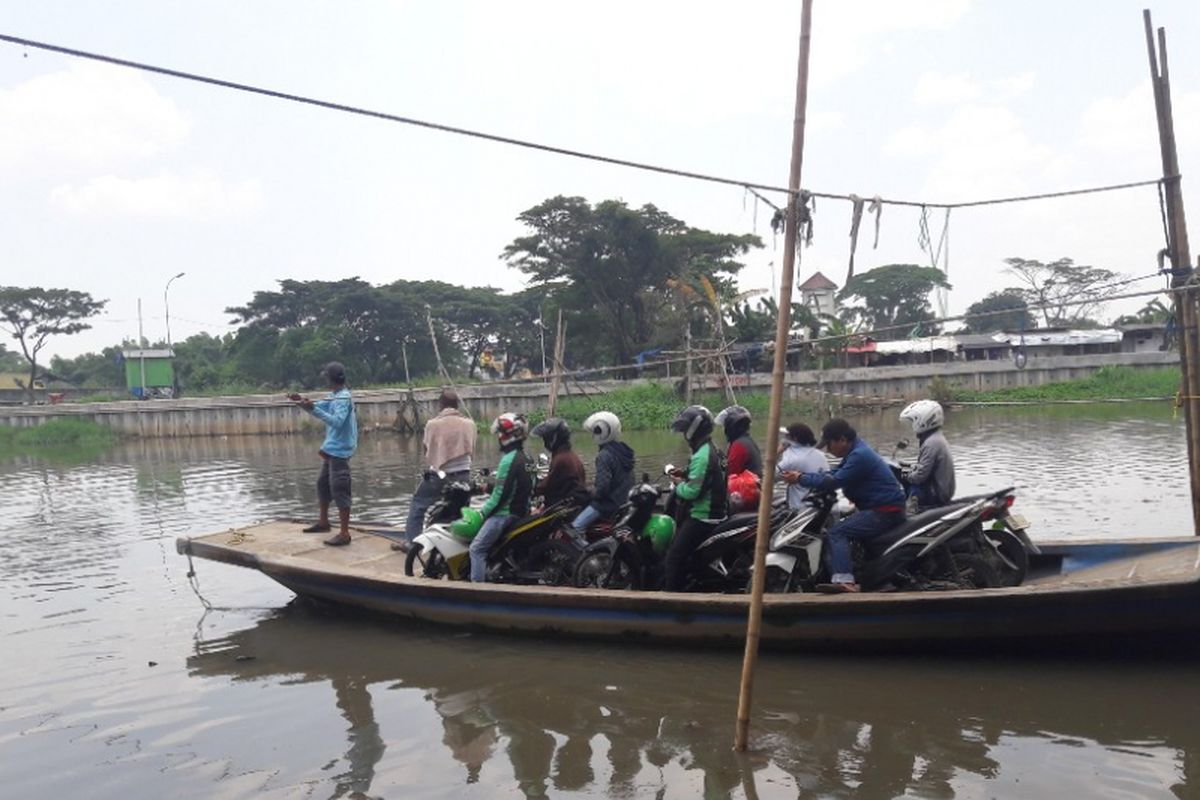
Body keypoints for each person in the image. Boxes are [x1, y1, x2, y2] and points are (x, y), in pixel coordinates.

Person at [796, 418, 906, 593]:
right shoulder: (855, 451)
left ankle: (844, 580)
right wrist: (807, 477)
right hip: (881, 508)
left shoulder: (859, 455)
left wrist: (800, 478)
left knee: (838, 532)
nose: (828, 450)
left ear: (842, 440)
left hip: (884, 511)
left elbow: (836, 480)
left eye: (829, 445)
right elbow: (834, 473)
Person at [393, 389, 476, 553]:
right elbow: (471, 448)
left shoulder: (433, 424)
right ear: (457, 405)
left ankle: (411, 542)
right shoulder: (470, 424)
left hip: (439, 475)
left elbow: (427, 450)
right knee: (459, 508)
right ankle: (458, 545)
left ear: (441, 405)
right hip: (464, 474)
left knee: (418, 504)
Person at [292, 361, 358, 547]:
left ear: (331, 378)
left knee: (340, 489)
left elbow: (337, 422)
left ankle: (344, 533)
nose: (325, 381)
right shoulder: (334, 396)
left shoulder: (343, 398)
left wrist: (312, 408)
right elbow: (319, 407)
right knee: (322, 485)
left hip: (340, 451)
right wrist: (302, 403)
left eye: (326, 378)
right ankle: (324, 522)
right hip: (331, 449)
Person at [664, 405, 727, 591]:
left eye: (685, 430)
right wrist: (684, 474)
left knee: (673, 557)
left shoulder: (702, 455)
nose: (684, 435)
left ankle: (672, 599)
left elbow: (692, 492)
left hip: (703, 516)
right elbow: (704, 478)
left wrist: (677, 485)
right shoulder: (708, 449)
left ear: (694, 429)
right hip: (711, 512)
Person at [469, 412, 532, 582]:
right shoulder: (527, 458)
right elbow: (525, 488)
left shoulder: (508, 460)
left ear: (508, 435)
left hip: (504, 515)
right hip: (522, 513)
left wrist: (482, 513)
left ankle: (476, 591)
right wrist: (487, 487)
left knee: (476, 549)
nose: (498, 436)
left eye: (500, 433)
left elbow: (500, 496)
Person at [567, 411, 635, 540]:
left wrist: (590, 493)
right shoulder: (623, 451)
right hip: (625, 501)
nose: (593, 435)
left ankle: (588, 558)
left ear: (602, 432)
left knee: (575, 527)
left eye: (595, 431)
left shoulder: (604, 455)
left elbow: (603, 488)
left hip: (609, 504)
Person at [898, 399, 956, 509]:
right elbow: (925, 468)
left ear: (924, 420)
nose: (913, 425)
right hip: (940, 489)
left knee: (902, 494)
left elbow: (920, 476)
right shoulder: (935, 438)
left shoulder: (931, 443)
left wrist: (904, 476)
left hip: (935, 494)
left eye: (914, 421)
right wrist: (910, 469)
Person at [530, 417, 588, 507]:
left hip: (564, 507)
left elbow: (546, 485)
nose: (544, 443)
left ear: (553, 439)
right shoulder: (569, 455)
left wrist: (528, 491)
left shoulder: (561, 459)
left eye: (545, 439)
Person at [777, 422, 829, 510]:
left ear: (794, 438)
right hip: (820, 505)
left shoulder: (792, 459)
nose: (783, 439)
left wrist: (778, 452)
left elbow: (768, 477)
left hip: (800, 510)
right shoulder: (821, 455)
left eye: (787, 436)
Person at [715, 405, 763, 478]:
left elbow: (731, 473)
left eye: (725, 426)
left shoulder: (739, 446)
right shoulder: (747, 441)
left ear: (731, 427)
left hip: (742, 488)